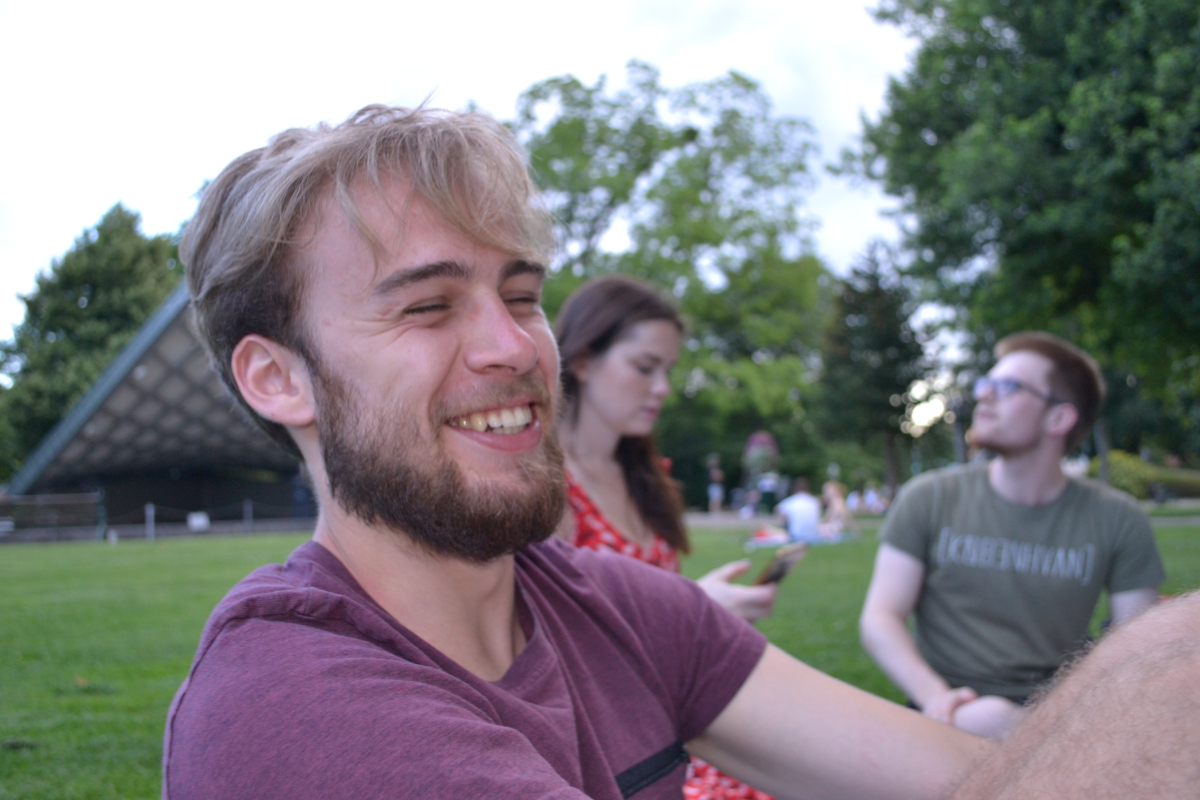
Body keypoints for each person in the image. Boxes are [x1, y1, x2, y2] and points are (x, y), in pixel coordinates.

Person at [165, 104, 1200, 800]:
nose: (514, 346)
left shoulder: (616, 608)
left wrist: (1156, 666)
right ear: (278, 379)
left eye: (521, 295)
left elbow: (972, 781)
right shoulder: (288, 701)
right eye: (427, 306)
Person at [860, 332, 1165, 739]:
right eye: (986, 383)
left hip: (1059, 722)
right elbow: (880, 618)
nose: (984, 395)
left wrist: (1049, 725)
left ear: (1059, 418)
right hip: (940, 713)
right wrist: (939, 702)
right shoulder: (929, 498)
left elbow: (1138, 649)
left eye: (1008, 387)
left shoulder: (1120, 519)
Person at [553, 275, 777, 800]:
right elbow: (555, 642)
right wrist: (694, 608)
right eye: (644, 367)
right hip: (615, 744)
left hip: (674, 716)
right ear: (583, 361)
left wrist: (702, 610)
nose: (662, 388)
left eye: (667, 371)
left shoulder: (646, 478)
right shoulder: (548, 487)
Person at [773, 478, 821, 543]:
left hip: (796, 535)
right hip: (814, 535)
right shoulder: (814, 501)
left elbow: (777, 510)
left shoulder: (791, 501)